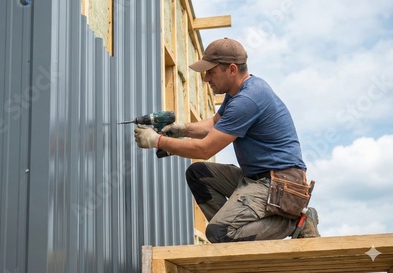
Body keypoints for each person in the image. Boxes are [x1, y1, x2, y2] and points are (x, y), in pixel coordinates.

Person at [133, 37, 320, 243]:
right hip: (255, 179)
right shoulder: (239, 91)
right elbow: (214, 123)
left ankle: (295, 222)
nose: (206, 78)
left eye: (211, 71)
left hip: (277, 185)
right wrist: (182, 129)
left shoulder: (247, 100)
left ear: (232, 69)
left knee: (219, 232)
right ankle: (237, 232)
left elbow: (204, 149)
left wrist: (157, 141)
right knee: (199, 174)